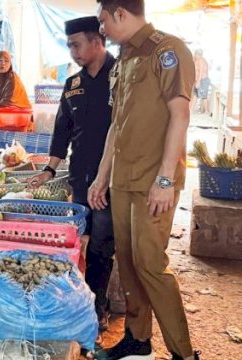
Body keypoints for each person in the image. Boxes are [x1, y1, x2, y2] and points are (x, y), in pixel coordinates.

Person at [91, 1, 199, 360]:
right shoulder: (123, 59)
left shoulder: (167, 50)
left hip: (155, 181)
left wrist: (166, 180)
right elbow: (115, 125)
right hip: (124, 178)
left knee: (151, 264)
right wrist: (102, 176)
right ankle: (138, 339)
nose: (102, 29)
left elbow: (179, 115)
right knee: (129, 262)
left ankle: (183, 353)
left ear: (121, 13)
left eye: (104, 20)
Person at [29, 16, 116, 338]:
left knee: (102, 244)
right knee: (79, 239)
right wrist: (49, 169)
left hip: (112, 178)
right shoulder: (73, 84)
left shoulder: (121, 77)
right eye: (69, 46)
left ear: (97, 42)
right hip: (80, 176)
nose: (73, 52)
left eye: (77, 44)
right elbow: (62, 130)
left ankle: (99, 307)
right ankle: (79, 301)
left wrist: (105, 178)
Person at [193, 49, 210, 115]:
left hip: (202, 80)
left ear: (197, 54)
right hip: (199, 80)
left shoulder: (201, 60)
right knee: (195, 95)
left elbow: (201, 72)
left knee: (203, 96)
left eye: (195, 54)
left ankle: (206, 111)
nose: (194, 55)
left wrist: (198, 81)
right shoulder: (197, 60)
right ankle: (191, 110)